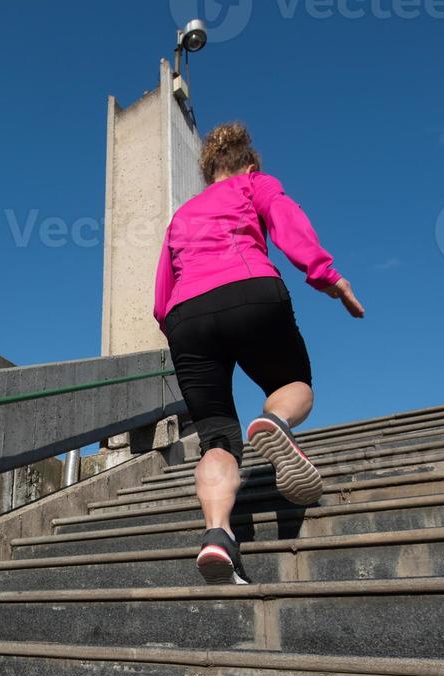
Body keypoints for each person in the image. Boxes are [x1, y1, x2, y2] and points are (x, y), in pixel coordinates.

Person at [154, 122, 365, 586]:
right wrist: (327, 276)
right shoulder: (255, 184)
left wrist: (180, 329)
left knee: (216, 438)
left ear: (209, 173)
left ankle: (217, 535)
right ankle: (276, 422)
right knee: (294, 384)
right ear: (246, 164)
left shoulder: (182, 215)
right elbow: (288, 223)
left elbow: (160, 296)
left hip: (186, 315)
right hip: (248, 289)